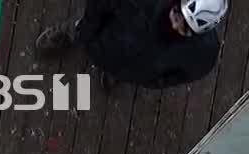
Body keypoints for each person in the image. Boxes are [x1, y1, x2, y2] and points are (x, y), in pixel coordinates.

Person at [33, 0, 226, 90]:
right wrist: (86, 31)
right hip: (102, 36)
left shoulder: (202, 56)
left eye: (185, 28)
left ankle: (115, 74)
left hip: (130, 68)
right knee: (82, 28)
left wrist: (146, 80)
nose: (175, 25)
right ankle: (73, 33)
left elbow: (176, 77)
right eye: (177, 14)